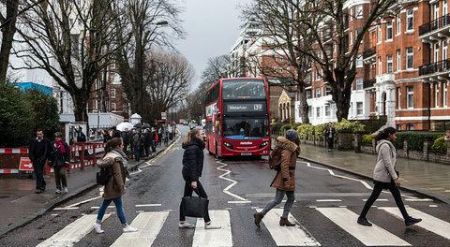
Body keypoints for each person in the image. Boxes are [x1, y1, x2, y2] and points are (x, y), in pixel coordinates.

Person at [357, 127, 422, 227]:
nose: (395, 137)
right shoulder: (385, 146)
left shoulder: (386, 145)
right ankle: (361, 217)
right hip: (383, 175)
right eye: (394, 135)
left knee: (397, 197)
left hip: (386, 175)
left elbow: (389, 162)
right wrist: (395, 177)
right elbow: (388, 163)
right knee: (374, 197)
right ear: (389, 135)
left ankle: (407, 219)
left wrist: (394, 175)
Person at [254, 129, 300, 227]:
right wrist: (286, 179)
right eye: (296, 136)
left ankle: (284, 218)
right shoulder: (289, 148)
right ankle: (260, 214)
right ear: (294, 138)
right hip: (285, 177)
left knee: (291, 198)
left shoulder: (291, 147)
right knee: (277, 200)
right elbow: (284, 165)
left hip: (288, 176)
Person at [94, 138, 137, 234]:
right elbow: (117, 174)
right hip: (114, 185)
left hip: (110, 184)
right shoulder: (116, 157)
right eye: (122, 144)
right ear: (118, 146)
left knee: (108, 204)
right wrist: (121, 186)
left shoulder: (109, 154)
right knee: (117, 205)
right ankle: (125, 226)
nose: (123, 146)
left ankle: (98, 223)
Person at [179, 128, 220, 229]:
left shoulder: (195, 146)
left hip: (189, 175)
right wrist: (193, 180)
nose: (204, 135)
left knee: (186, 197)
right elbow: (192, 164)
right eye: (202, 134)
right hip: (190, 176)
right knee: (203, 197)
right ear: (197, 136)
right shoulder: (194, 148)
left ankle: (182, 221)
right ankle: (207, 223)